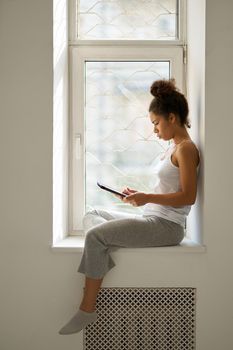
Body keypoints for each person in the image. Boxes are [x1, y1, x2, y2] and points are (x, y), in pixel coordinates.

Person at [58, 78, 200, 335]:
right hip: (152, 216)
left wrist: (147, 198)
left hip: (167, 226)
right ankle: (101, 253)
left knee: (94, 235)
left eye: (156, 123)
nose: (154, 130)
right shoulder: (172, 147)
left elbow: (188, 196)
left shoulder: (187, 149)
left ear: (171, 117)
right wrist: (139, 196)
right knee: (94, 214)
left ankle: (87, 309)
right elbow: (166, 191)